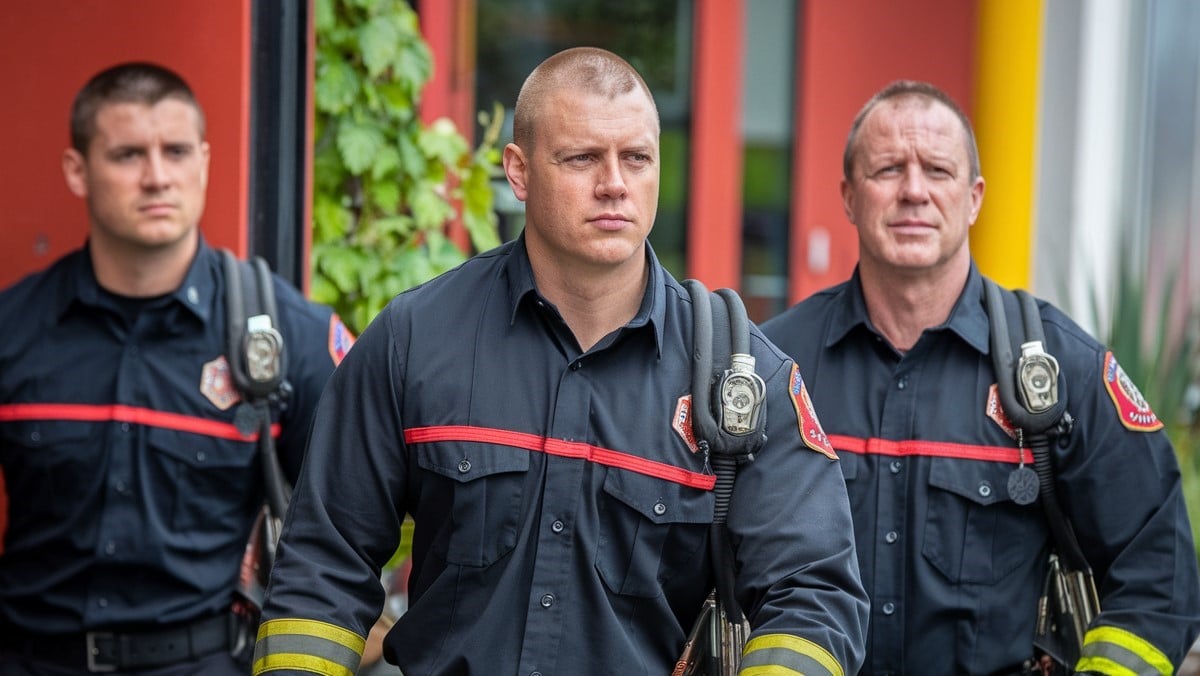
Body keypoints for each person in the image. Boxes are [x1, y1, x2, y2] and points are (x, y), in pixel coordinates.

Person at [250, 46, 869, 676]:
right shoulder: (415, 341)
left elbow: (813, 596)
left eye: (637, 158)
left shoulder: (741, 382)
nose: (615, 185)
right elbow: (323, 567)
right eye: (581, 158)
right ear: (518, 172)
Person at [761, 79, 1200, 675]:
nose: (914, 191)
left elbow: (1160, 570)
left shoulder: (1058, 368)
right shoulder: (777, 367)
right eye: (887, 169)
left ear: (973, 198)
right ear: (848, 196)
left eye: (938, 171)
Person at [0, 62, 352, 675]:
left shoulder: (290, 337)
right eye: (128, 154)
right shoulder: (12, 330)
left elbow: (358, 532)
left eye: (177, 151)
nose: (158, 177)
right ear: (77, 171)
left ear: (206, 162)